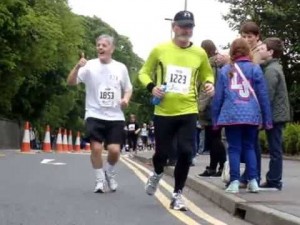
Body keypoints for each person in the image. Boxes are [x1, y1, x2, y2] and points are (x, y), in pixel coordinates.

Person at [138, 10, 214, 210]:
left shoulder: (199, 53)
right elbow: (143, 72)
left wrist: (209, 84)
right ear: (174, 27)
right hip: (163, 111)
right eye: (181, 26)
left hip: (188, 109)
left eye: (189, 27)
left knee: (186, 152)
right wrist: (151, 87)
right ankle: (157, 173)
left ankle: (177, 193)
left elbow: (207, 74)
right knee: (162, 154)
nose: (185, 30)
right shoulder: (160, 49)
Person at [66, 34, 133, 193]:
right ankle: (99, 180)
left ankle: (109, 171)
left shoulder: (120, 67)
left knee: (114, 150)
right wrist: (77, 67)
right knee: (96, 148)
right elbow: (70, 82)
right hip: (94, 114)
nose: (100, 48)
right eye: (98, 45)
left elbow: (128, 88)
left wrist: (126, 99)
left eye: (104, 45)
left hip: (115, 116)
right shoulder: (89, 66)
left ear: (112, 48)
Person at [212, 38, 273, 194]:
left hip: (231, 115)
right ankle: (253, 181)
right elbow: (263, 96)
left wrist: (215, 120)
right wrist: (267, 119)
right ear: (248, 51)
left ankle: (234, 182)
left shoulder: (226, 70)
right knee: (249, 147)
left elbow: (218, 97)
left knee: (233, 149)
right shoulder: (255, 69)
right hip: (251, 115)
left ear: (232, 52)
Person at [258, 37, 290, 190]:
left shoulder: (271, 70)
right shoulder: (274, 67)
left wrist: (261, 116)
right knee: (275, 148)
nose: (259, 50)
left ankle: (274, 181)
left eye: (262, 48)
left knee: (275, 149)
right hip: (278, 114)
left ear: (270, 52)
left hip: (275, 116)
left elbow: (267, 96)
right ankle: (273, 179)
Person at [197, 39, 227, 177]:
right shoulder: (221, 65)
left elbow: (205, 89)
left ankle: (220, 166)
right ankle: (215, 167)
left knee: (213, 139)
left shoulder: (208, 65)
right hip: (220, 104)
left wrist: (200, 107)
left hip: (210, 106)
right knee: (215, 138)